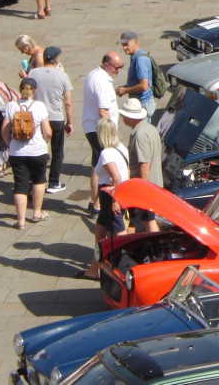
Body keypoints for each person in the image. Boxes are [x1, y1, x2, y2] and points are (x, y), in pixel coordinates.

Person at [74, 118, 129, 280]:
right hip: (115, 196)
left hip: (110, 197)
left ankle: (128, 269)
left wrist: (115, 202)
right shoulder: (121, 147)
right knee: (99, 232)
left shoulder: (106, 154)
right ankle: (93, 270)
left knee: (120, 236)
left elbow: (116, 178)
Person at [0, 77, 51, 229]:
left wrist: (11, 144)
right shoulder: (40, 106)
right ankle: (36, 213)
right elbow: (47, 132)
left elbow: (4, 131)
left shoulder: (11, 106)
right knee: (39, 180)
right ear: (35, 91)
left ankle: (21, 221)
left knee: (20, 185)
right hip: (38, 151)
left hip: (17, 152)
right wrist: (44, 143)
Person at [29, 46, 72, 194]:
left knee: (36, 150)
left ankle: (35, 180)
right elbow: (68, 102)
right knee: (57, 151)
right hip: (56, 118)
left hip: (37, 118)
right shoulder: (62, 76)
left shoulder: (33, 72)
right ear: (56, 59)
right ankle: (54, 182)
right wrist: (70, 122)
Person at [81, 52, 121, 215]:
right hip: (101, 131)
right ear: (106, 65)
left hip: (92, 127)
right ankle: (98, 204)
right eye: (117, 68)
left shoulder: (93, 74)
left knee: (96, 165)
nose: (118, 71)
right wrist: (113, 136)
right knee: (102, 167)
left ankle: (95, 202)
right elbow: (104, 111)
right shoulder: (103, 82)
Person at [119, 98, 162, 233]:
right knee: (146, 220)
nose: (122, 118)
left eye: (123, 115)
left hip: (145, 188)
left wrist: (141, 190)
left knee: (142, 221)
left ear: (130, 117)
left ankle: (131, 248)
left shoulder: (139, 135)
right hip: (153, 185)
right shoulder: (150, 128)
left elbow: (144, 164)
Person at [116, 30, 156, 120]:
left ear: (135, 42)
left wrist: (125, 90)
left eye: (127, 44)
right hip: (142, 102)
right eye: (123, 45)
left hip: (143, 104)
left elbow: (144, 86)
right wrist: (124, 88)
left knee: (142, 130)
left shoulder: (140, 60)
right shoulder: (136, 56)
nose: (124, 48)